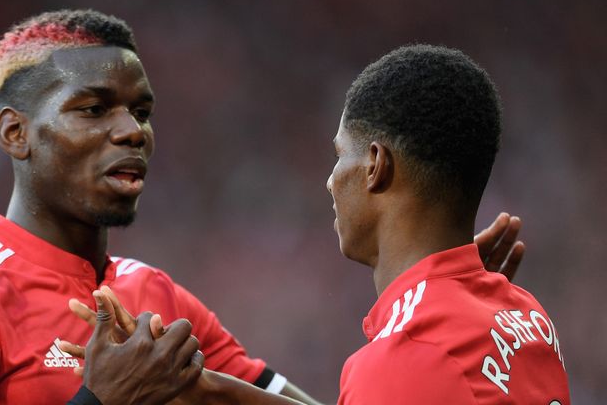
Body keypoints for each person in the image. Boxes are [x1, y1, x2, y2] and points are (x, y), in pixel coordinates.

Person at [0, 8, 524, 405]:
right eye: (94, 109)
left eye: (142, 111)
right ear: (15, 133)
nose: (132, 131)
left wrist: (439, 315)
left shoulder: (155, 295)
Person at [68, 45, 569, 404]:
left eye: (339, 157)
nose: (331, 182)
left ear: (376, 165)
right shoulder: (523, 315)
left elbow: (411, 375)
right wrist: (202, 388)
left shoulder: (406, 357)